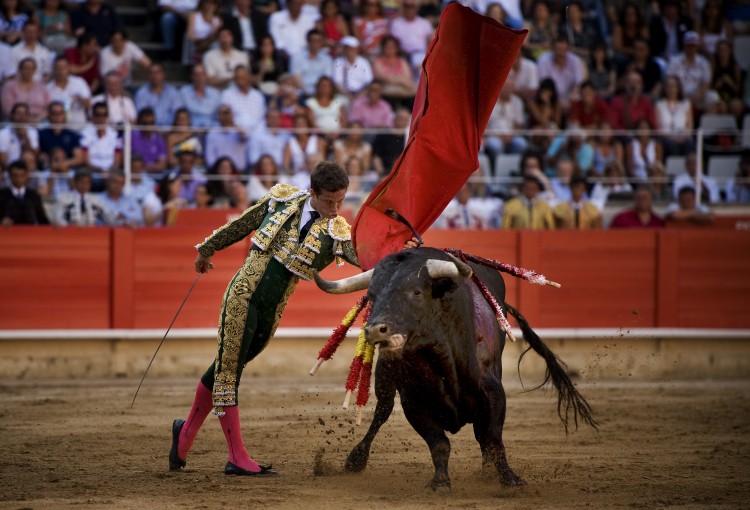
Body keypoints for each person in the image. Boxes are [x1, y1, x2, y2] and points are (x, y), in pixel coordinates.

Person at [169, 160, 418, 476]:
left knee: (226, 366)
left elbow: (368, 259)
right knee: (229, 373)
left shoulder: (337, 232)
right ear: (313, 191)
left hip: (271, 313)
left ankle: (184, 434)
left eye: (340, 201)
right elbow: (243, 223)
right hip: (243, 295)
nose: (334, 208)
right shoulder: (280, 199)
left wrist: (400, 251)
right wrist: (207, 249)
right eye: (329, 200)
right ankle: (237, 457)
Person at [666, 31, 715, 112]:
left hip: (698, 96)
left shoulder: (703, 62)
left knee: (713, 97)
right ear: (684, 45)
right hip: (678, 95)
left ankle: (709, 123)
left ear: (697, 46)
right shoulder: (674, 61)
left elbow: (706, 83)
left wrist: (698, 95)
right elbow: (669, 81)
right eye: (689, 45)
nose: (691, 48)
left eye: (693, 46)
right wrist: (679, 95)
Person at [536, 36, 587, 109]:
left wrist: (571, 99)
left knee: (582, 97)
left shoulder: (575, 61)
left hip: (571, 99)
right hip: (551, 98)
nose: (560, 53)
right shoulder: (543, 60)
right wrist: (557, 102)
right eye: (558, 50)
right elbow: (544, 85)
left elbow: (579, 84)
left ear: (568, 49)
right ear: (553, 49)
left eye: (563, 50)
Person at [80, 101, 122, 182]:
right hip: (92, 173)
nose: (101, 118)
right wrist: (100, 171)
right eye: (98, 115)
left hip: (111, 173)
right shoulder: (85, 133)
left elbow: (117, 158)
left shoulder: (115, 134)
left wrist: (110, 172)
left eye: (104, 115)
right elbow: (85, 160)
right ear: (93, 116)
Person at [389, 0, 433, 76]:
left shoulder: (424, 23)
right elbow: (394, 44)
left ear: (416, 8)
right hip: (404, 56)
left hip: (422, 54)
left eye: (412, 6)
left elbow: (431, 42)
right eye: (407, 6)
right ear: (403, 7)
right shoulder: (396, 24)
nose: (409, 9)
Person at [46, 54, 91, 127]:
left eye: (64, 67)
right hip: (58, 130)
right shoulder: (48, 88)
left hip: (79, 128)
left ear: (69, 67)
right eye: (58, 68)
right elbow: (47, 112)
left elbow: (89, 104)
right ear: (54, 69)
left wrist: (79, 99)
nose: (61, 71)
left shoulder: (79, 82)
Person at [0, 160, 49, 226]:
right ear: (10, 176)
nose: (18, 179)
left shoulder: (33, 196)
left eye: (21, 176)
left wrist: (53, 225)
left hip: (29, 234)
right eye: (15, 176)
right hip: (8, 234)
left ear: (26, 176)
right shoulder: (2, 195)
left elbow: (42, 219)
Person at [220, 65, 266, 134]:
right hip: (234, 133)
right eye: (238, 77)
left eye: (243, 77)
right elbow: (224, 116)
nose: (241, 80)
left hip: (256, 133)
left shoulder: (258, 96)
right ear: (234, 78)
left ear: (249, 77)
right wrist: (238, 130)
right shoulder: (227, 94)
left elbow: (262, 118)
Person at [655, 75, 694, 157]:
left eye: (674, 86)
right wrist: (672, 137)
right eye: (668, 86)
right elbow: (657, 128)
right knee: (672, 145)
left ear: (678, 88)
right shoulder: (659, 105)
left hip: (683, 137)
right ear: (664, 88)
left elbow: (689, 126)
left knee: (689, 144)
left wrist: (683, 137)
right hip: (666, 137)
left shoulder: (685, 104)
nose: (671, 89)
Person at [370, 35, 416, 103]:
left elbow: (407, 76)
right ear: (383, 47)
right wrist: (400, 80)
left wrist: (394, 78)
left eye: (393, 46)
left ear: (397, 48)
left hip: (403, 90)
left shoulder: (402, 61)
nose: (390, 48)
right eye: (388, 46)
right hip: (387, 91)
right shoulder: (378, 61)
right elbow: (382, 76)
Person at [1, 57, 50, 121]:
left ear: (34, 71)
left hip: (39, 121)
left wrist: (37, 119)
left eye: (31, 69)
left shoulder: (42, 87)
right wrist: (24, 120)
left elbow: (48, 108)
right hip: (15, 121)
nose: (28, 71)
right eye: (25, 68)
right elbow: (7, 109)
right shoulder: (9, 86)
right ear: (20, 70)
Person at [38, 101, 84, 169]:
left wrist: (64, 164)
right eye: (54, 113)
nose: (57, 116)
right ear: (49, 115)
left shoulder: (72, 135)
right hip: (48, 169)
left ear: (64, 115)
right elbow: (38, 154)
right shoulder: (41, 134)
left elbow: (78, 158)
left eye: (60, 113)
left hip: (68, 170)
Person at [289, 28, 333, 97]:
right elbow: (296, 78)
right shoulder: (297, 57)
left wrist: (318, 93)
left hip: (321, 93)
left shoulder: (327, 59)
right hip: (302, 92)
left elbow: (327, 79)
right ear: (308, 42)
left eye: (319, 41)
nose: (316, 44)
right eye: (313, 41)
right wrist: (307, 92)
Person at [204, 105, 248, 171]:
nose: (225, 116)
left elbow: (245, 138)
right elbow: (210, 158)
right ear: (218, 116)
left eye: (227, 113)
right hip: (219, 172)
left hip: (238, 171)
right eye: (223, 113)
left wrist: (232, 123)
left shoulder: (238, 130)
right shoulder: (212, 134)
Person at [180, 63, 221, 128]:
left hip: (210, 129)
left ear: (206, 76)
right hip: (190, 129)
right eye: (196, 75)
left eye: (202, 74)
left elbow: (218, 117)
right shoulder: (183, 92)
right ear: (192, 77)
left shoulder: (215, 94)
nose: (199, 78)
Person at [0, 102, 39, 169]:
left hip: (27, 170)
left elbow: (34, 156)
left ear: (28, 116)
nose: (21, 117)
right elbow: (3, 159)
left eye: (25, 114)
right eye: (18, 113)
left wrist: (26, 137)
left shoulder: (32, 131)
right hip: (10, 169)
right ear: (12, 115)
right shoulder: (3, 133)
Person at [183, 0, 222, 66]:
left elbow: (213, 35)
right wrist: (198, 41)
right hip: (195, 43)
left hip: (208, 44)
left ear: (216, 6)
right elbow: (190, 33)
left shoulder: (218, 20)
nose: (209, 5)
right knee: (187, 37)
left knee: (215, 44)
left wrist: (211, 19)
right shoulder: (194, 16)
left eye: (212, 3)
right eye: (207, 2)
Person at [131, 107, 168, 174]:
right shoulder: (132, 137)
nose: (148, 126)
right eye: (145, 123)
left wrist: (151, 167)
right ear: (139, 123)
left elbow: (162, 164)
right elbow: (125, 159)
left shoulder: (159, 140)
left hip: (154, 175)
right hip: (135, 174)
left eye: (151, 123)